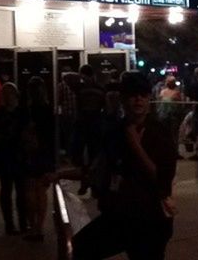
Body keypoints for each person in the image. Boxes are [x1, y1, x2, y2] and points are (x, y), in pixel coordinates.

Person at [72, 71, 177, 260]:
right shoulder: (115, 130)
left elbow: (162, 177)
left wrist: (136, 145)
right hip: (119, 213)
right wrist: (62, 175)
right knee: (81, 246)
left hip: (149, 217)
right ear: (122, 99)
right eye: (132, 95)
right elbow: (100, 167)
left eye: (142, 95)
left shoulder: (159, 132)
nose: (138, 100)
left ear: (148, 98)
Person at [21, 76, 54, 242]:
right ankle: (39, 227)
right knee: (41, 191)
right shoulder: (48, 109)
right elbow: (53, 135)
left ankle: (32, 226)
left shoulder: (27, 110)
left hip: (30, 153)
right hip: (45, 152)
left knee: (29, 190)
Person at [0, 81, 27, 235]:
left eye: (10, 94)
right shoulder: (0, 114)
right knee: (7, 190)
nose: (7, 97)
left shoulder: (21, 113)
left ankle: (22, 222)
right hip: (5, 155)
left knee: (20, 190)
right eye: (5, 94)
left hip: (17, 154)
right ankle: (10, 224)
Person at [73, 64, 105, 195]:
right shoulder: (100, 88)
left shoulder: (80, 89)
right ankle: (93, 185)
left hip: (85, 124)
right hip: (95, 123)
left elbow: (78, 106)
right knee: (93, 155)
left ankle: (86, 183)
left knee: (84, 156)